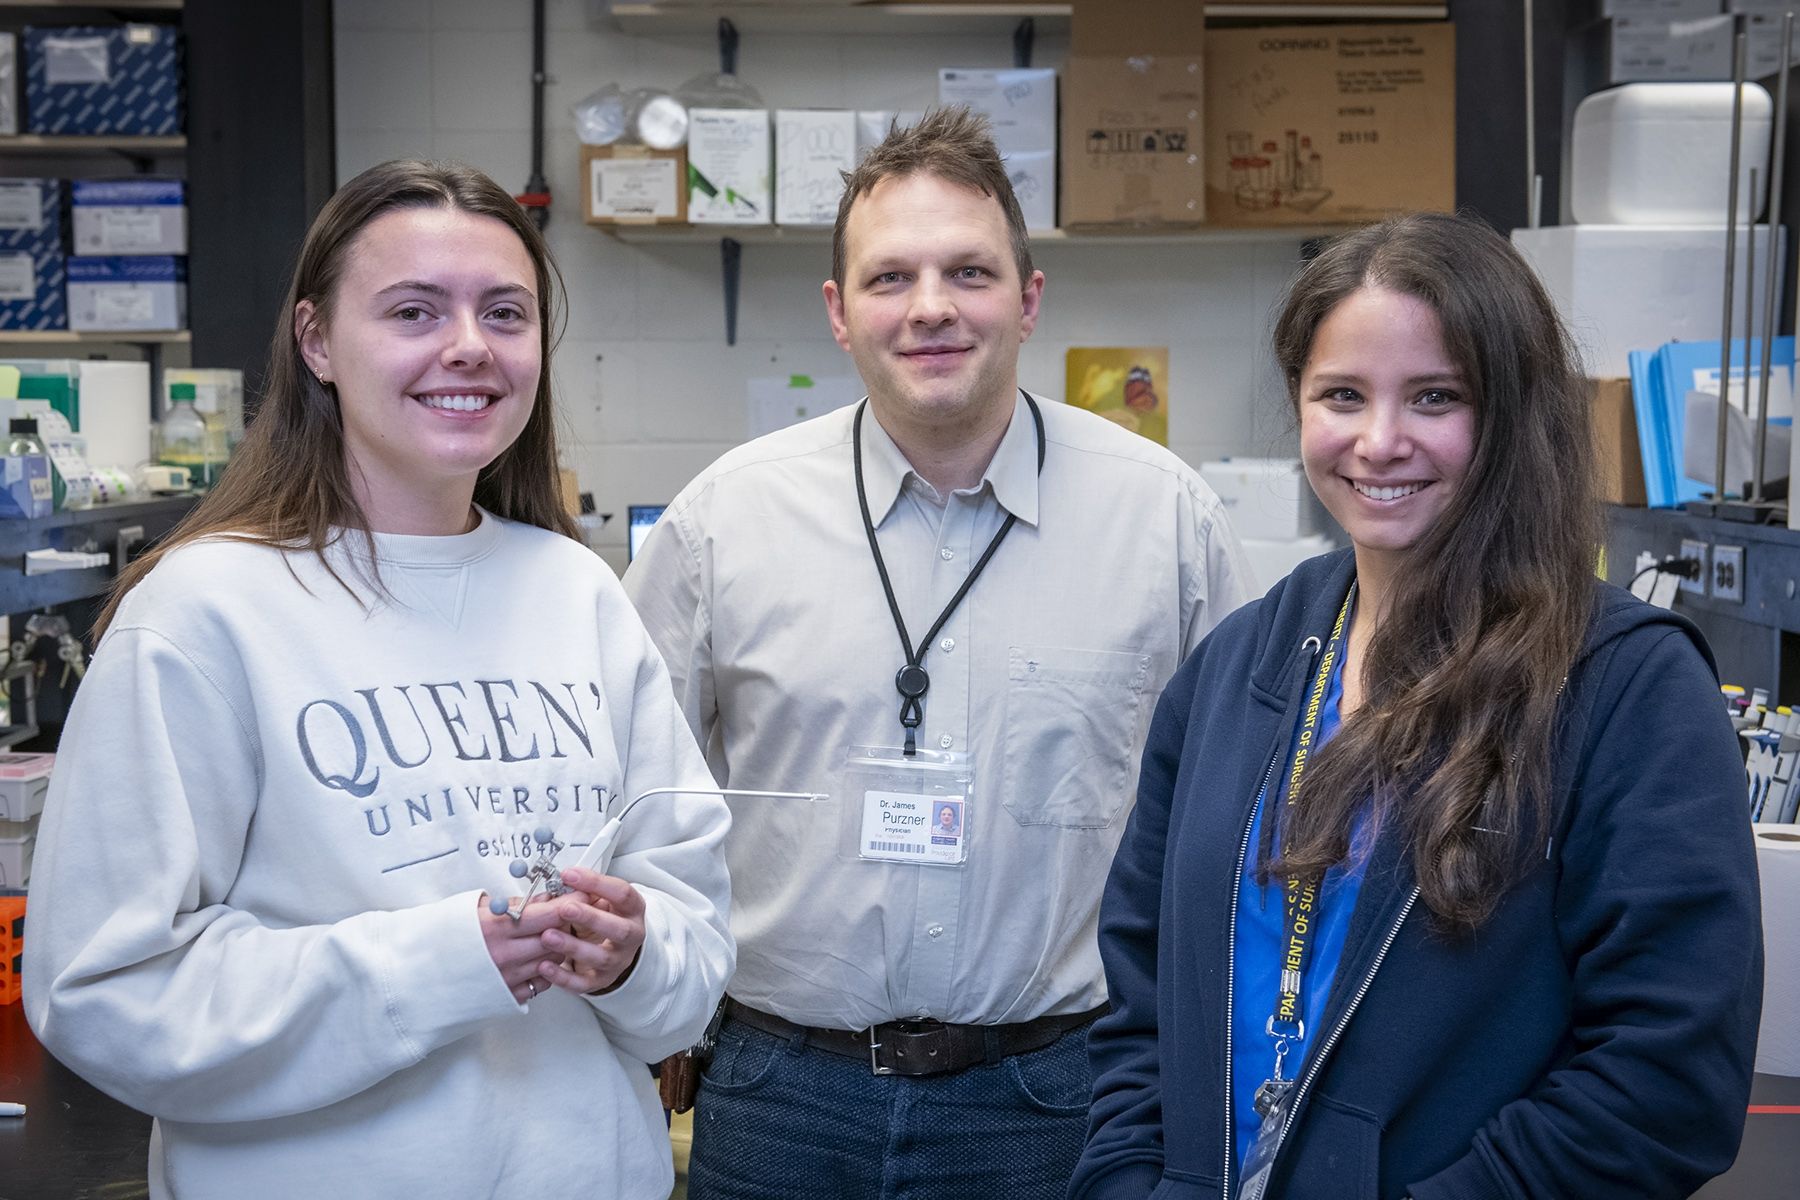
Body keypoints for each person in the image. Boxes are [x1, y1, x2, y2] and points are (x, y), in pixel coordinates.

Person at [23, 160, 733, 1199]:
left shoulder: (579, 594)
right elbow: (106, 990)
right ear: (316, 340)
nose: (469, 347)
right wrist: (447, 963)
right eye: (413, 310)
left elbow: (694, 953)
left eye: (505, 312)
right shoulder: (206, 612)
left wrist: (633, 957)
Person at [625, 107, 1252, 1199]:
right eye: (889, 278)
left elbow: (1243, 822)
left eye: (968, 271)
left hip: (1056, 1096)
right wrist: (657, 1013)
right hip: (781, 1094)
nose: (930, 309)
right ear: (836, 311)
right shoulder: (724, 522)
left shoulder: (1169, 525)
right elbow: (633, 803)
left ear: (1029, 296)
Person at [1072, 212, 1763, 1200]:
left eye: (1436, 397)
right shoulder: (1237, 667)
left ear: (1512, 417)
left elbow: (1668, 1076)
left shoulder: (1626, 686)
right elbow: (1139, 1000)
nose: (1380, 441)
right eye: (1342, 395)